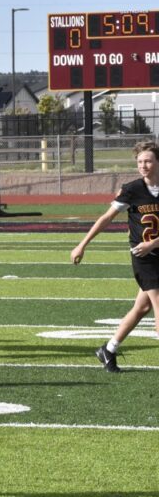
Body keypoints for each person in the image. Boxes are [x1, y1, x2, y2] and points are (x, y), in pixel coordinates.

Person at [72, 140, 159, 373]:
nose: (144, 165)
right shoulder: (132, 189)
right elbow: (106, 218)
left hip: (155, 250)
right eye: (140, 161)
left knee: (141, 309)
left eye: (148, 160)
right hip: (144, 258)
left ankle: (108, 349)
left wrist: (154, 243)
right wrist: (82, 244)